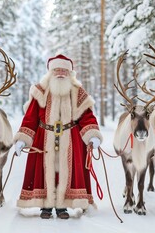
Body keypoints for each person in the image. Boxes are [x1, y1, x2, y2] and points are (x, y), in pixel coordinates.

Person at [13, 54, 103, 219]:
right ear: (50, 72)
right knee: (45, 170)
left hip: (71, 138)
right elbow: (31, 118)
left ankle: (63, 206)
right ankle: (46, 206)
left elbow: (86, 116)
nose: (60, 73)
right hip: (44, 137)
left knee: (66, 171)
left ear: (70, 73)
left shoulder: (77, 92)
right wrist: (22, 139)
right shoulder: (40, 91)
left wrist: (92, 135)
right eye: (57, 70)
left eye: (64, 70)